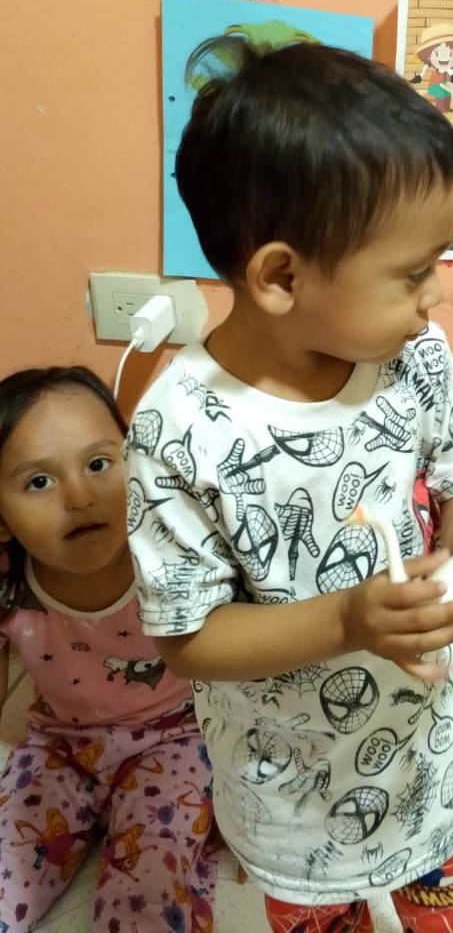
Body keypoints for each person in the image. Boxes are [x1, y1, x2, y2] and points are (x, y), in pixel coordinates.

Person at [124, 38, 453, 932]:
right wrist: (347, 621)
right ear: (282, 276)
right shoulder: (178, 430)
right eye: (413, 271)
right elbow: (189, 637)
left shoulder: (414, 358)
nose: (435, 295)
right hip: (288, 798)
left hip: (424, 764)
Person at [0, 366, 214, 932]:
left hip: (177, 738)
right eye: (38, 482)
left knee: (146, 899)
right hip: (59, 743)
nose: (79, 497)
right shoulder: (8, 583)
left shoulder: (172, 551)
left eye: (98, 464)